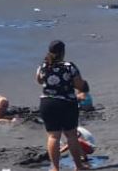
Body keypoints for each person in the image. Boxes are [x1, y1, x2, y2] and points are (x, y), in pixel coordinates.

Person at [36, 40, 90, 171]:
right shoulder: (69, 66)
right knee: (71, 135)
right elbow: (79, 85)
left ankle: (55, 167)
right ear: (63, 52)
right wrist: (85, 87)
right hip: (66, 102)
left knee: (53, 136)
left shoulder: (43, 65)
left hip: (47, 103)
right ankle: (78, 166)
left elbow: (39, 80)